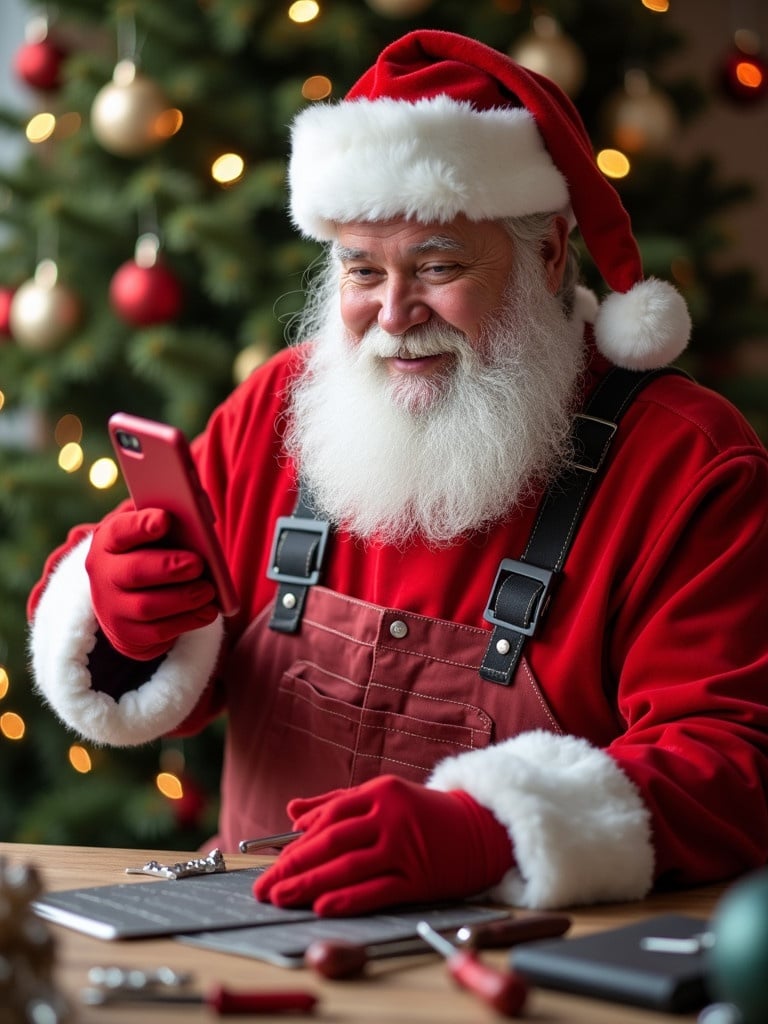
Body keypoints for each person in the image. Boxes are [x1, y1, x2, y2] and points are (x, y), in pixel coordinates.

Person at [28, 30, 768, 917]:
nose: (394, 312)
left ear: (547, 252)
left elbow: (736, 760)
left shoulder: (689, 463)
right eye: (361, 270)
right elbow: (163, 677)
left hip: (525, 979)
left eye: (439, 265)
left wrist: (492, 829)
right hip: (248, 944)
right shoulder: (282, 408)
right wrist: (119, 619)